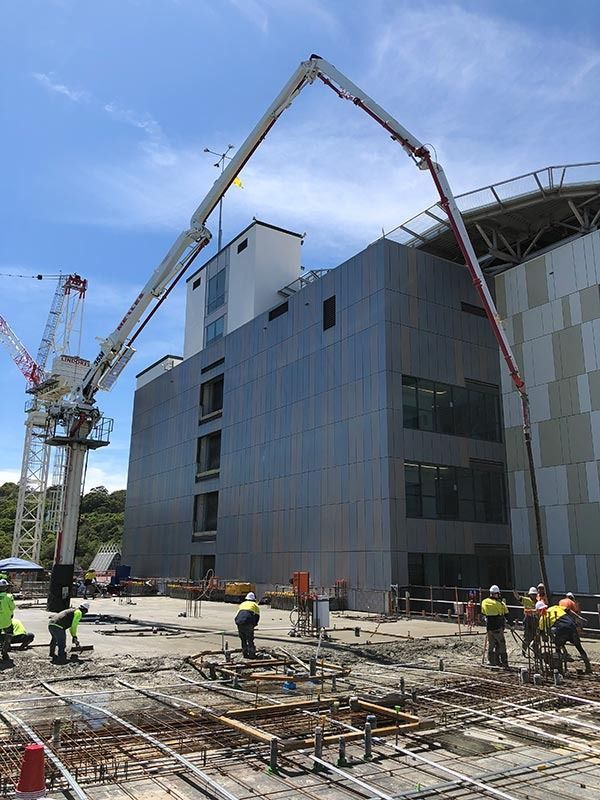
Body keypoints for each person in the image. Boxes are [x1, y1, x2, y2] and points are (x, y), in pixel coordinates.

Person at [540, 603, 591, 673]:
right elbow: (569, 611)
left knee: (557, 646)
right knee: (578, 646)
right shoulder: (555, 607)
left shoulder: (542, 618)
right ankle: (588, 667)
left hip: (562, 627)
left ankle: (558, 667)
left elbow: (543, 635)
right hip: (571, 625)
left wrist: (549, 637)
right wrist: (579, 618)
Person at [481, 585, 510, 667]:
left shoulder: (484, 602)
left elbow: (483, 613)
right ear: (497, 594)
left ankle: (491, 661)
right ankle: (504, 662)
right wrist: (511, 624)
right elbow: (505, 614)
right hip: (498, 628)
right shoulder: (500, 604)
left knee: (491, 644)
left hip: (489, 628)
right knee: (501, 644)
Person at [513, 586, 539, 656]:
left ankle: (536, 652)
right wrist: (514, 591)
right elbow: (518, 598)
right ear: (529, 594)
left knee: (536, 637)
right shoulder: (526, 600)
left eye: (535, 594)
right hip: (528, 620)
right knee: (527, 637)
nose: (533, 596)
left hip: (535, 620)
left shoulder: (538, 602)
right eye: (532, 594)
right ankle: (524, 651)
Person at [234, 592, 260, 659]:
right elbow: (257, 617)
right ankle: (252, 655)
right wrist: (254, 625)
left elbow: (240, 613)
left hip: (239, 622)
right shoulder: (255, 605)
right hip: (248, 622)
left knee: (243, 639)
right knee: (250, 639)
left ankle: (245, 653)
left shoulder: (242, 604)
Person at [0, 579, 16, 661]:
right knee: (9, 635)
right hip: (6, 621)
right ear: (6, 587)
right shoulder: (9, 597)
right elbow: (13, 607)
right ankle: (4, 652)